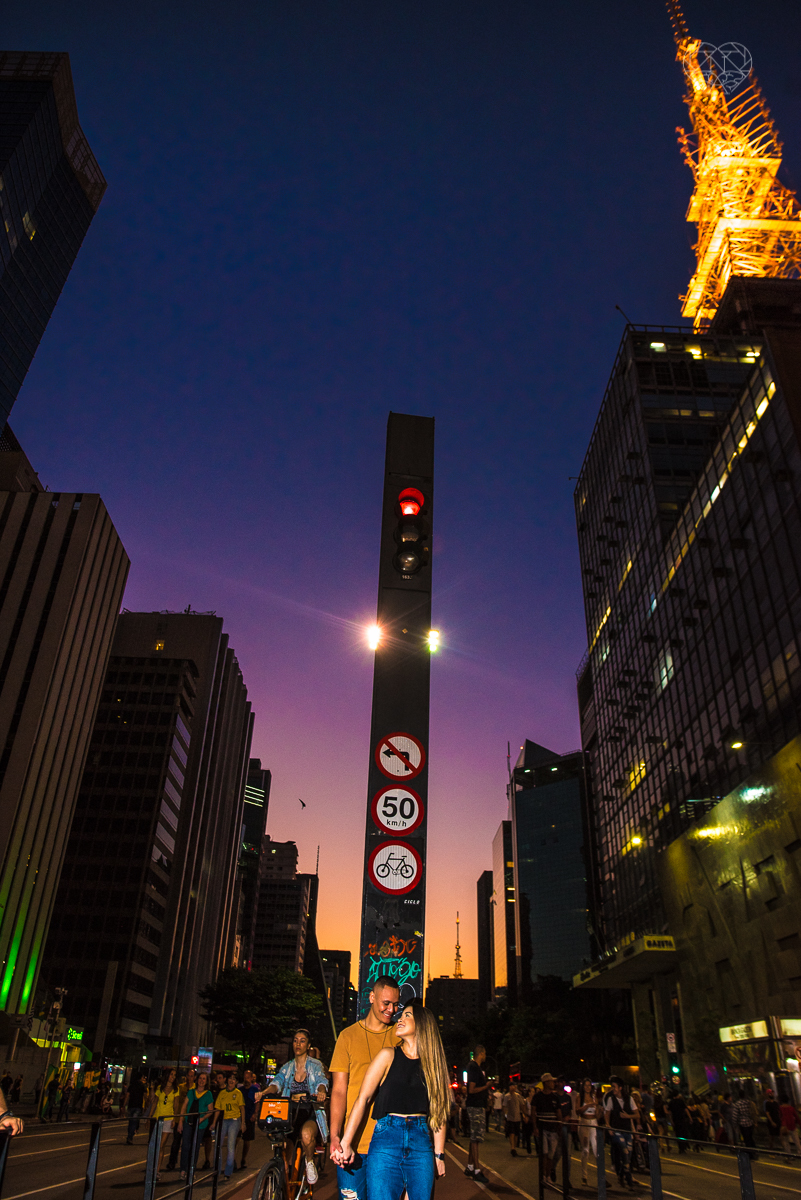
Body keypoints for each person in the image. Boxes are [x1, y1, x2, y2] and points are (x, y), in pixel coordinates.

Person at [334, 1000, 449, 1200]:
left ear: (421, 1024)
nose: (400, 1018)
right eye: (401, 1015)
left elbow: (439, 1112)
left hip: (421, 1142)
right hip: (386, 1139)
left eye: (407, 1015)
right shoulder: (387, 1055)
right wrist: (346, 1141)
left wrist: (439, 1155)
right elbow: (363, 1099)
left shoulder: (434, 1065)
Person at [329, 973, 401, 1200]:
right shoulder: (347, 1037)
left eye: (396, 1004)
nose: (391, 1009)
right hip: (354, 1143)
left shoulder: (401, 1036)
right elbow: (339, 1090)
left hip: (388, 1144)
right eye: (386, 1003)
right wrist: (334, 1135)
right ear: (371, 997)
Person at [256, 1030, 328, 1185]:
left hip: (309, 1109)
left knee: (307, 1135)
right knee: (284, 1145)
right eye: (295, 1040)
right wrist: (264, 1092)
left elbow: (322, 1081)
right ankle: (282, 1175)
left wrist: (321, 1091)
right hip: (290, 1111)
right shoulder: (287, 1067)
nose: (298, 1044)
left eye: (302, 1041)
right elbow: (277, 1083)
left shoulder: (315, 1065)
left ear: (308, 1045)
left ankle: (309, 1162)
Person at [177, 1071, 215, 1179]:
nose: (201, 1081)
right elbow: (184, 1106)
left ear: (206, 1081)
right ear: (197, 1079)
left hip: (200, 1125)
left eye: (204, 1079)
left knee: (195, 1147)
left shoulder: (208, 1094)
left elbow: (210, 1110)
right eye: (200, 1078)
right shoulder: (191, 1092)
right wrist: (180, 1121)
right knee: (185, 1146)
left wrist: (202, 1119)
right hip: (188, 1122)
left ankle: (191, 1169)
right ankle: (183, 1170)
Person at [603, 1075, 639, 1190]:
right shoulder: (610, 1099)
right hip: (617, 1130)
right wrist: (608, 1126)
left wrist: (628, 1116)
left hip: (627, 1130)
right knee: (623, 1148)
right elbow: (607, 1114)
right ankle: (629, 1180)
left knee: (628, 1154)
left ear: (620, 1088)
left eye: (614, 1087)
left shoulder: (629, 1099)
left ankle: (621, 1174)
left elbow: (637, 1114)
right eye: (612, 1087)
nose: (612, 1089)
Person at [146, 1068, 179, 1181]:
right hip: (157, 1118)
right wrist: (149, 1117)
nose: (173, 1077)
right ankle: (151, 1169)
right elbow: (155, 1102)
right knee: (153, 1145)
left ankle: (157, 1171)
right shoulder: (159, 1088)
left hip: (168, 1119)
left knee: (161, 1145)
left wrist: (175, 1119)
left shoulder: (176, 1090)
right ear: (167, 1075)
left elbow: (176, 1105)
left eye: (174, 1075)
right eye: (171, 1074)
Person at [464, 1045, 490, 1184]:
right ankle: (477, 1170)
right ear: (480, 1053)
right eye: (484, 1053)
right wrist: (486, 1087)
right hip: (475, 1106)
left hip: (476, 1105)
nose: (485, 1055)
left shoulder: (474, 1067)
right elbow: (472, 1090)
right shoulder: (474, 1067)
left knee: (474, 1137)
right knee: (476, 1138)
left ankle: (470, 1167)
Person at [214, 1072, 246, 1182]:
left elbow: (242, 1108)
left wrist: (243, 1123)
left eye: (234, 1079)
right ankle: (217, 1170)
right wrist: (214, 1123)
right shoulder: (222, 1093)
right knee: (218, 1144)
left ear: (236, 1082)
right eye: (230, 1078)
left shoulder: (238, 1093)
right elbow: (218, 1109)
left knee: (230, 1146)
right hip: (223, 1120)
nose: (231, 1081)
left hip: (234, 1120)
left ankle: (227, 1171)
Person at [533, 1073, 563, 1183]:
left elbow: (558, 1113)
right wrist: (535, 1127)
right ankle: (544, 1176)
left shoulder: (555, 1097)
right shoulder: (538, 1096)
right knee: (544, 1153)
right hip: (543, 1129)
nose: (553, 1084)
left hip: (553, 1129)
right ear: (545, 1083)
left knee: (551, 1154)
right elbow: (533, 1112)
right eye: (551, 1081)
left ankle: (548, 1174)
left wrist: (560, 1125)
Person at [575, 1078, 599, 1186]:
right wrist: (587, 1106)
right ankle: (584, 1176)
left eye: (589, 1085)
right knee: (585, 1150)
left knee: (597, 1149)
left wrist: (599, 1110)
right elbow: (577, 1111)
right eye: (586, 1085)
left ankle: (601, 1175)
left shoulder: (594, 1097)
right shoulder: (579, 1097)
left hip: (593, 1122)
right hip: (584, 1122)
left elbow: (597, 1114)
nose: (588, 1087)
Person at [239, 1069, 260, 1170]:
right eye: (245, 1077)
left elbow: (257, 1103)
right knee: (236, 1138)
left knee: (247, 1140)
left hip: (249, 1117)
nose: (246, 1079)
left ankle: (243, 1158)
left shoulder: (255, 1090)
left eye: (248, 1077)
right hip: (239, 1117)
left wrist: (254, 1114)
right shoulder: (240, 1090)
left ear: (251, 1078)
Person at [125, 1072, 149, 1144]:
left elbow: (127, 1095)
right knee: (134, 1122)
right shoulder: (142, 1086)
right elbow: (145, 1096)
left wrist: (124, 1105)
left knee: (131, 1122)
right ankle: (130, 1137)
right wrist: (147, 1105)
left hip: (131, 1105)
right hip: (138, 1106)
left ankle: (129, 1136)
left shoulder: (132, 1085)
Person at [732, 1088, 758, 1156]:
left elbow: (735, 1115)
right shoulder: (749, 1103)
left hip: (743, 1124)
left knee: (746, 1139)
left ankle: (750, 1153)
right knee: (751, 1137)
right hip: (750, 1122)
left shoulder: (737, 1104)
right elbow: (753, 1112)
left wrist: (735, 1124)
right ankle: (755, 1151)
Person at [668, 1089, 691, 1154]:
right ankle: (684, 1145)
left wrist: (671, 1121)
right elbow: (686, 1110)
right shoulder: (681, 1101)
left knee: (678, 1133)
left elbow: (670, 1113)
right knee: (684, 1132)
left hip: (675, 1119)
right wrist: (690, 1117)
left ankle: (680, 1147)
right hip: (682, 1119)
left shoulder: (671, 1102)